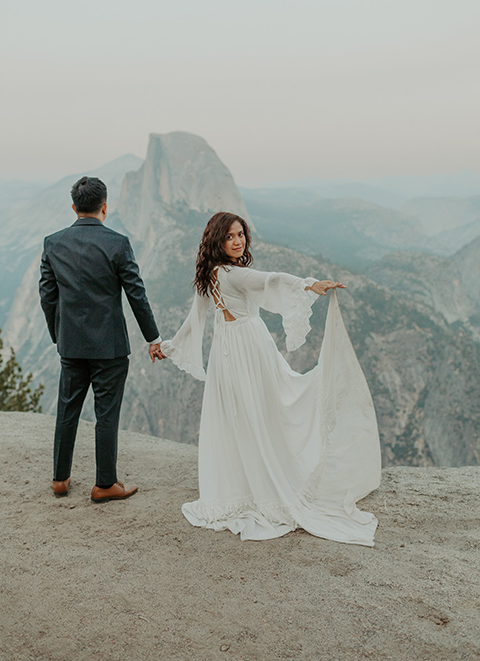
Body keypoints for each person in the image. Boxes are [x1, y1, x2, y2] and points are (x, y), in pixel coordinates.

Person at [160, 211, 381, 545]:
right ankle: (266, 482)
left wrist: (170, 346)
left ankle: (244, 485)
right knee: (268, 408)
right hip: (249, 346)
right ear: (217, 240)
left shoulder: (210, 274)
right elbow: (270, 280)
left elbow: (195, 320)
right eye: (230, 236)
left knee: (239, 417)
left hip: (226, 352)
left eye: (240, 235)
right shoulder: (233, 274)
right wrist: (310, 284)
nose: (237, 241)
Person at [39, 177, 164, 502]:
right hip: (109, 347)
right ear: (105, 207)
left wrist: (59, 335)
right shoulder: (117, 243)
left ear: (74, 207)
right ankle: (105, 484)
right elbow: (136, 294)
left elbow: (47, 296)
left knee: (67, 410)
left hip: (71, 345)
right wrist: (153, 337)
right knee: (105, 414)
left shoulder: (53, 243)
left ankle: (60, 480)